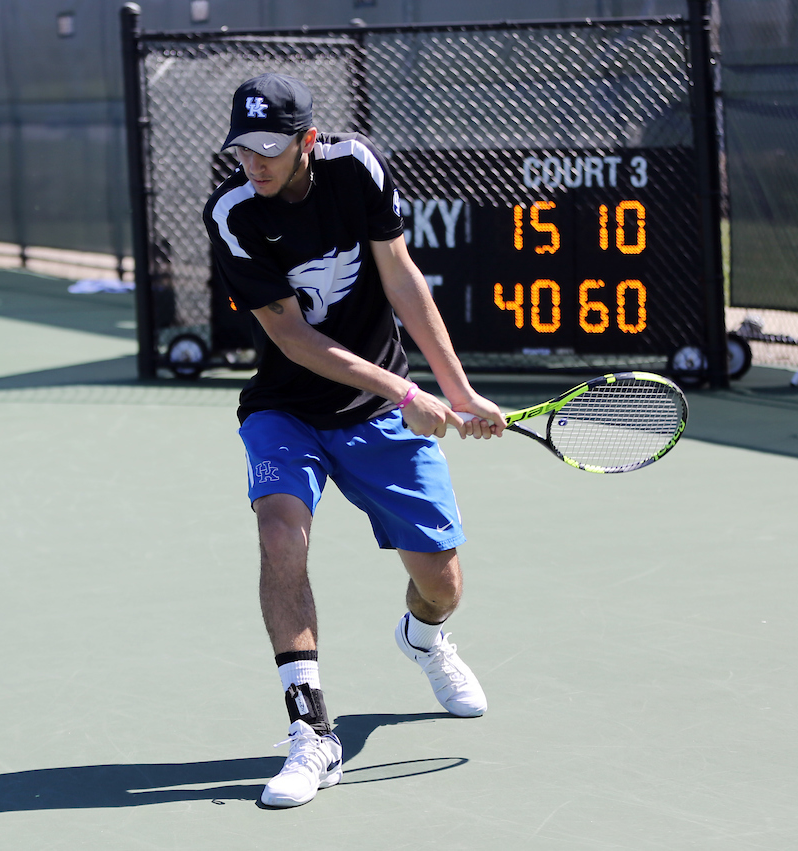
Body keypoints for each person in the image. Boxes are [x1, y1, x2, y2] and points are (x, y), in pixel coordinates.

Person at [202, 73, 505, 809]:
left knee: (443, 582)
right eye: (244, 150)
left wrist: (456, 390)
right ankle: (312, 734)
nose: (256, 164)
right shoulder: (233, 214)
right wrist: (407, 392)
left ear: (308, 140)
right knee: (281, 535)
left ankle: (425, 639)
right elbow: (292, 336)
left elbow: (401, 278)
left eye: (271, 149)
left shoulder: (358, 168)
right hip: (286, 407)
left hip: (375, 417)